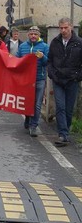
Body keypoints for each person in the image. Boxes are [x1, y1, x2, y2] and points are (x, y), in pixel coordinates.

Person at [48, 17, 82, 146]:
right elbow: (50, 61)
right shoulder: (55, 42)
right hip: (58, 80)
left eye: (65, 27)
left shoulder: (79, 43)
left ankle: (65, 131)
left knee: (69, 109)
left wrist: (77, 76)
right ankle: (63, 134)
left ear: (71, 27)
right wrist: (52, 74)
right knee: (60, 107)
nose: (63, 30)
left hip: (72, 80)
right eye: (61, 28)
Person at [16, 26, 49, 137]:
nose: (33, 36)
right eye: (31, 34)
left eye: (35, 34)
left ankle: (34, 126)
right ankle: (28, 119)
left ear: (39, 35)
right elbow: (17, 60)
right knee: (26, 102)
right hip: (26, 80)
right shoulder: (22, 46)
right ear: (28, 35)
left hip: (39, 79)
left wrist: (43, 57)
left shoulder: (44, 46)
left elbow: (48, 62)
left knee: (37, 104)